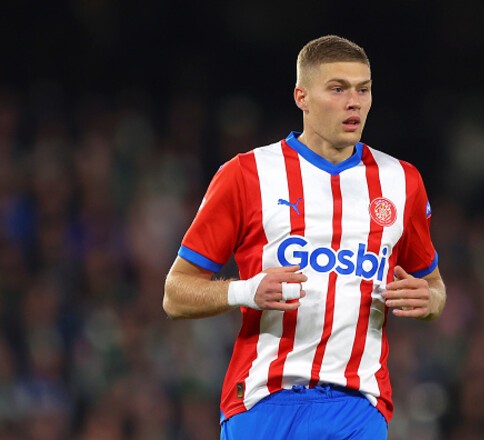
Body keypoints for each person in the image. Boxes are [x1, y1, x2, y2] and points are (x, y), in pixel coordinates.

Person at [163, 34, 446, 440]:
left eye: (363, 89)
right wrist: (246, 291)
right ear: (302, 97)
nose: (354, 102)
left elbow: (434, 287)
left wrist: (430, 300)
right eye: (338, 89)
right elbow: (175, 294)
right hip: (263, 400)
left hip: (358, 406)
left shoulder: (402, 181)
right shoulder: (247, 175)